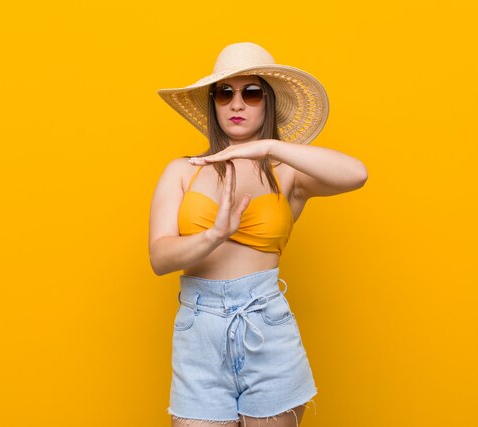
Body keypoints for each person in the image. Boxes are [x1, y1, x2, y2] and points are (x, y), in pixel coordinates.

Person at [150, 42, 368, 427]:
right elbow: (160, 258)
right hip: (200, 330)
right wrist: (213, 235)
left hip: (266, 324)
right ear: (213, 104)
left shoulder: (287, 174)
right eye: (225, 93)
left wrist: (267, 147)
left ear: (268, 103)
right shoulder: (184, 171)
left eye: (251, 93)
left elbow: (356, 174)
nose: (237, 104)